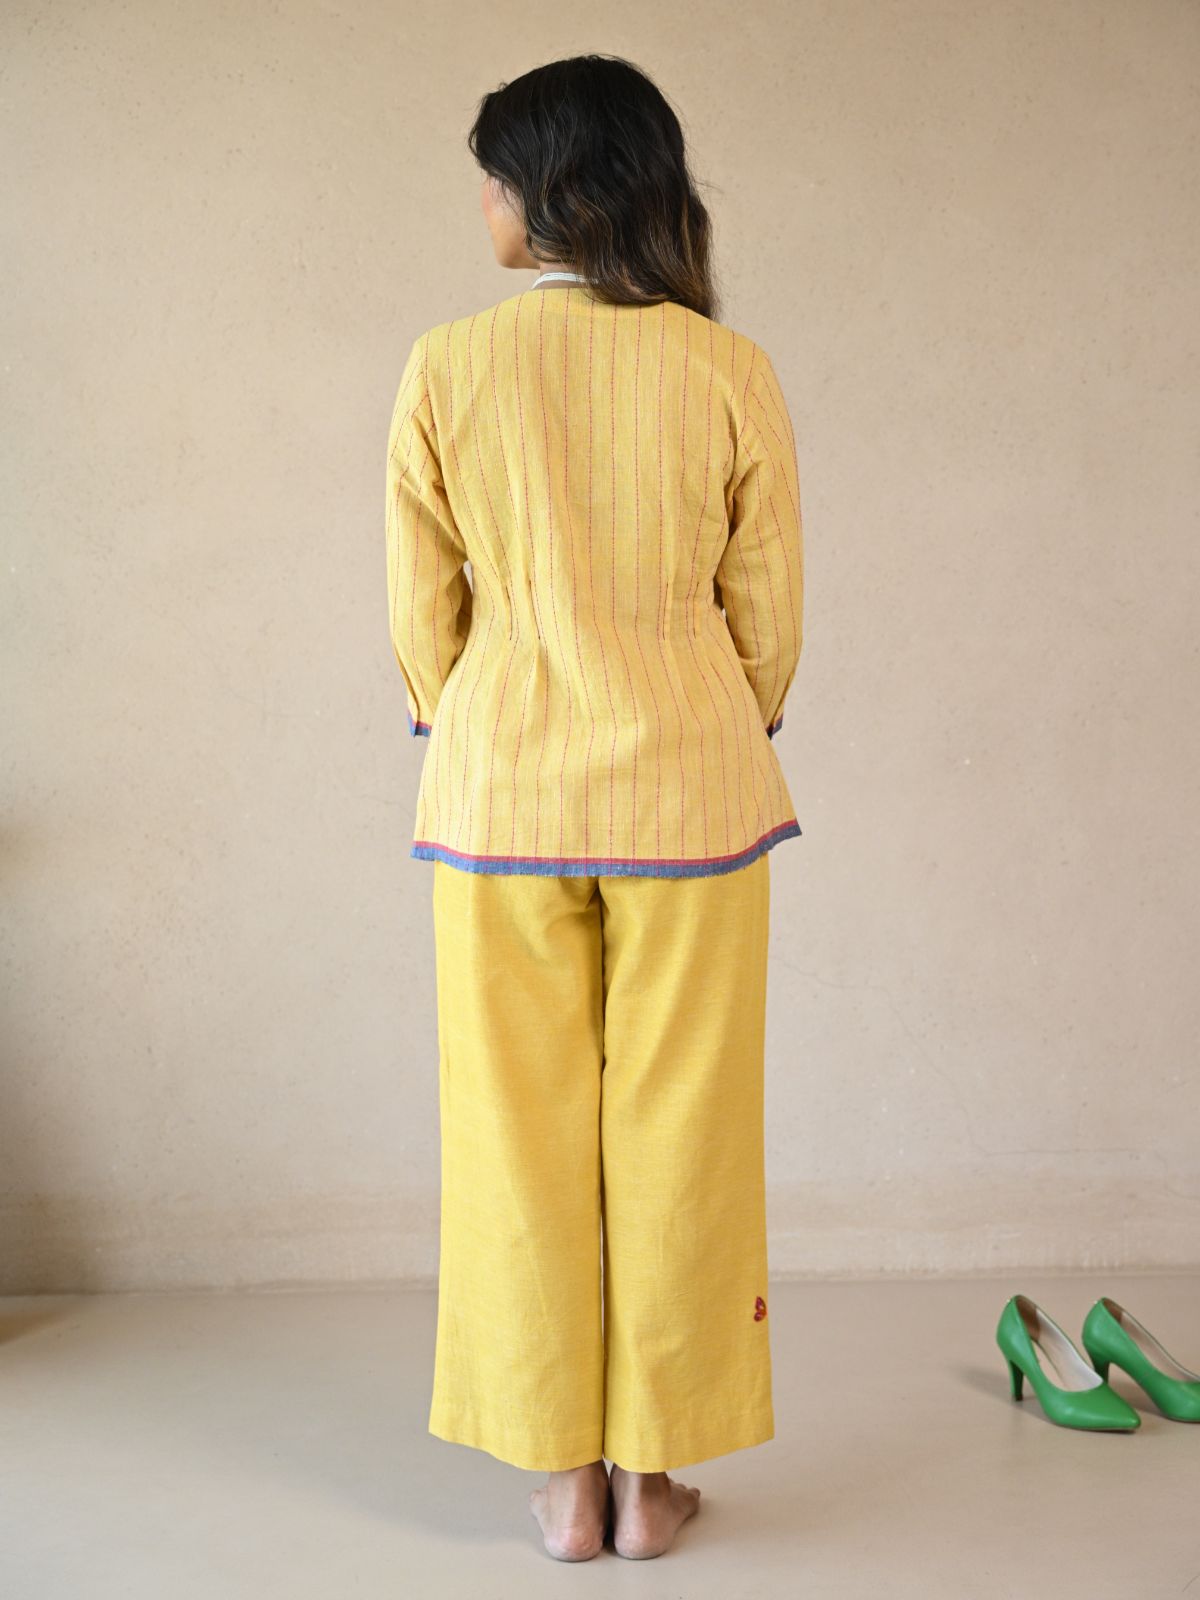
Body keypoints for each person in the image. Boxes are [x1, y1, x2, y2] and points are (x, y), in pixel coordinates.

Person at [384, 53, 804, 1562]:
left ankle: (561, 1484)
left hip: (499, 798)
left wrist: (470, 716)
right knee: (683, 1127)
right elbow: (768, 613)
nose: (484, 203)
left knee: (515, 1131)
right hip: (695, 796)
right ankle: (650, 1483)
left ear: (551, 191)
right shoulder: (727, 366)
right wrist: (724, 717)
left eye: (495, 177)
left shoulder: (448, 364)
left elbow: (421, 610)